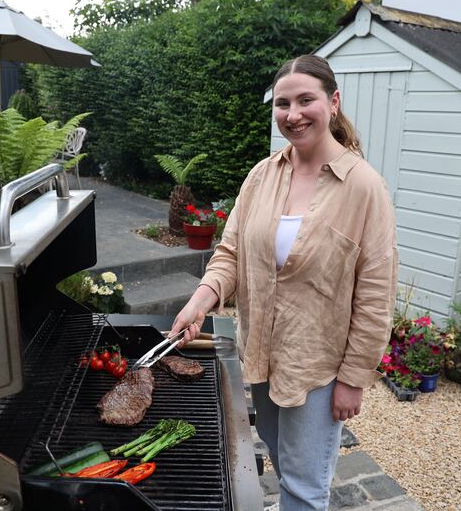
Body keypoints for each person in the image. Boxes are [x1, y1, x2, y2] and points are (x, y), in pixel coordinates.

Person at [170, 54, 398, 510]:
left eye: (305, 100)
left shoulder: (364, 187)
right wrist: (200, 300)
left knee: (304, 487)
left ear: (333, 102)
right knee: (279, 456)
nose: (293, 115)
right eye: (282, 103)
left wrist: (354, 378)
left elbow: (376, 293)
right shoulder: (262, 176)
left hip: (317, 367)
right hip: (262, 353)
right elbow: (231, 252)